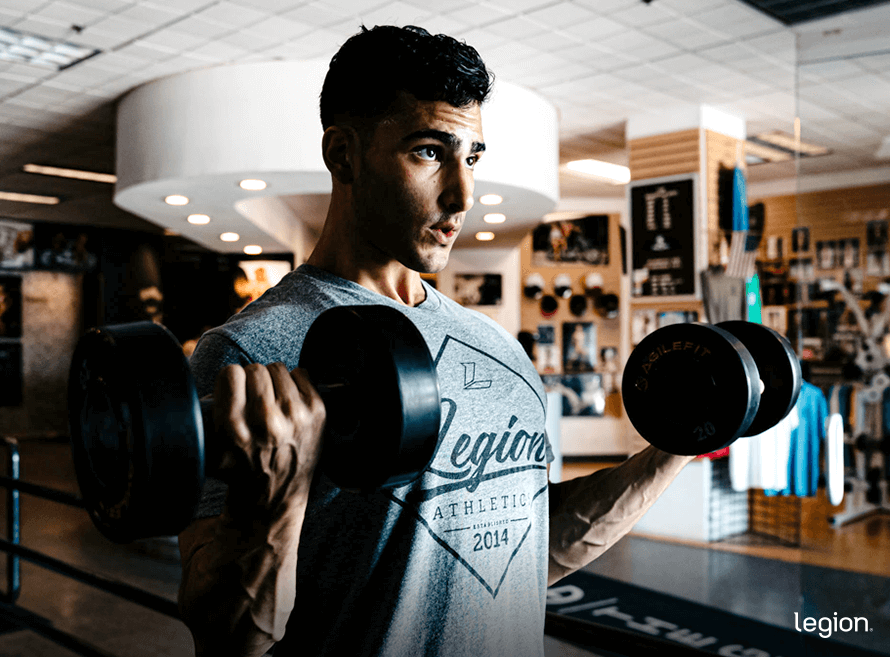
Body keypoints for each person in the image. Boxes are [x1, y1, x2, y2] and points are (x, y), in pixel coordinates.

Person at [178, 25, 694, 657]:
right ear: (343, 154)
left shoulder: (499, 348)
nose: (463, 194)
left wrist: (674, 446)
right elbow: (229, 640)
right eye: (429, 152)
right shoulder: (250, 355)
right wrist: (278, 501)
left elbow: (524, 552)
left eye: (472, 157)